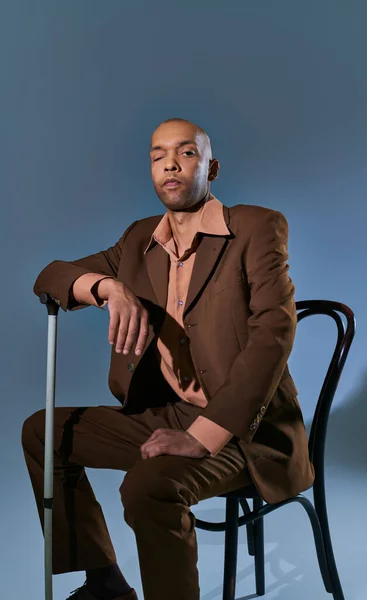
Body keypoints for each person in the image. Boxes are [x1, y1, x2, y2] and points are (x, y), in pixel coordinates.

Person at [22, 118, 314, 600]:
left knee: (148, 485)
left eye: (186, 154)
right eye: (158, 156)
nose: (170, 165)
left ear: (211, 167)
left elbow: (274, 335)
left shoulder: (257, 227)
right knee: (44, 431)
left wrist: (202, 438)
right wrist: (108, 288)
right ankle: (106, 583)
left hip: (248, 430)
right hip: (168, 412)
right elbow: (51, 276)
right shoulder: (139, 240)